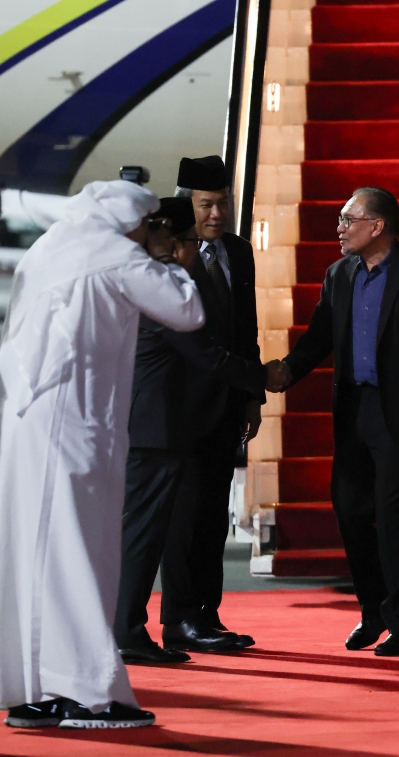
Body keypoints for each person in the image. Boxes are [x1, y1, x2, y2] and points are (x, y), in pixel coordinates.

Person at [0, 181, 204, 728]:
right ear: (130, 222)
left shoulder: (50, 247)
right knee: (80, 558)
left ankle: (35, 690)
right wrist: (170, 258)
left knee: (36, 560)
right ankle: (86, 694)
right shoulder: (113, 253)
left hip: (28, 424)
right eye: (149, 225)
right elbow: (186, 311)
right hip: (76, 431)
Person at [267, 187, 399, 656]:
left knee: (394, 516)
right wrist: (288, 371)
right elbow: (319, 338)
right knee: (351, 512)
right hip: (353, 411)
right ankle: (372, 611)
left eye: (346, 219)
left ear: (377, 226)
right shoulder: (338, 276)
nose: (338, 228)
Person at [114, 198, 269, 664]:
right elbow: (206, 354)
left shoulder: (141, 276)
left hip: (155, 426)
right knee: (143, 536)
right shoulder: (158, 284)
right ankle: (126, 631)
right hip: (154, 429)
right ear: (178, 242)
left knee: (146, 532)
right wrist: (265, 377)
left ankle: (131, 627)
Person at [158, 156, 263, 652]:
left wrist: (252, 397)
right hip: (181, 408)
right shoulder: (167, 254)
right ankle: (178, 618)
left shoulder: (240, 253)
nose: (217, 214)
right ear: (187, 204)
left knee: (213, 516)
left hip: (226, 407)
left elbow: (248, 330)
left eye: (223, 203)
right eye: (206, 205)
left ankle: (208, 613)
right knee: (185, 516)